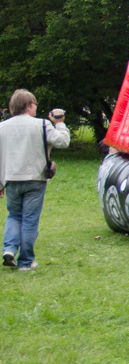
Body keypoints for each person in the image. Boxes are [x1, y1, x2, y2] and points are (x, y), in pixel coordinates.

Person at [0, 89, 70, 271]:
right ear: (29, 105)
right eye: (35, 105)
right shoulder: (42, 124)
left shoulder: (2, 127)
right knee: (30, 219)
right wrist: (60, 123)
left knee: (14, 215)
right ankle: (25, 262)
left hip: (11, 178)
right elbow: (63, 142)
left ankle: (8, 249)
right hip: (35, 179)